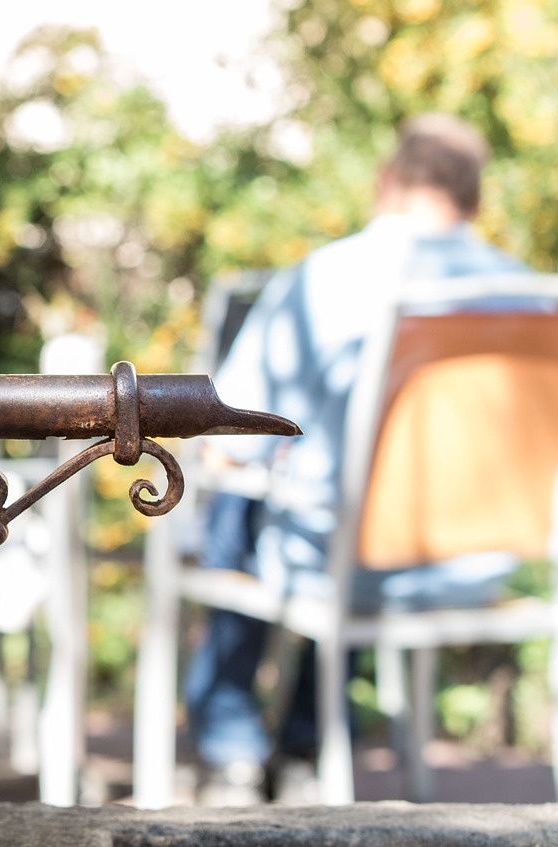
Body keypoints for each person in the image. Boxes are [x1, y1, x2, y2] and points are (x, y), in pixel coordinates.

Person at [183, 113, 530, 805]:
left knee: (250, 502)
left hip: (352, 562)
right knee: (345, 516)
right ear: (475, 201)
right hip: (480, 563)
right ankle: (307, 743)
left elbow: (230, 436)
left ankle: (230, 750)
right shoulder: (529, 294)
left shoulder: (331, 277)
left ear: (385, 181)